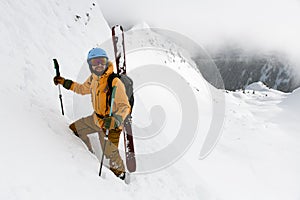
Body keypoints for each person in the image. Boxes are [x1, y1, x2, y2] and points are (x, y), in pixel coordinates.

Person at [53, 47, 131, 180]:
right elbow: (82, 89)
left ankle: (120, 175)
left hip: (111, 125)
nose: (99, 65)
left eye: (102, 61)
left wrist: (115, 120)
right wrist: (65, 82)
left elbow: (125, 106)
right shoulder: (94, 79)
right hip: (97, 119)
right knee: (75, 129)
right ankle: (88, 153)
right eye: (95, 62)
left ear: (106, 62)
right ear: (90, 65)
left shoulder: (115, 82)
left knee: (110, 153)